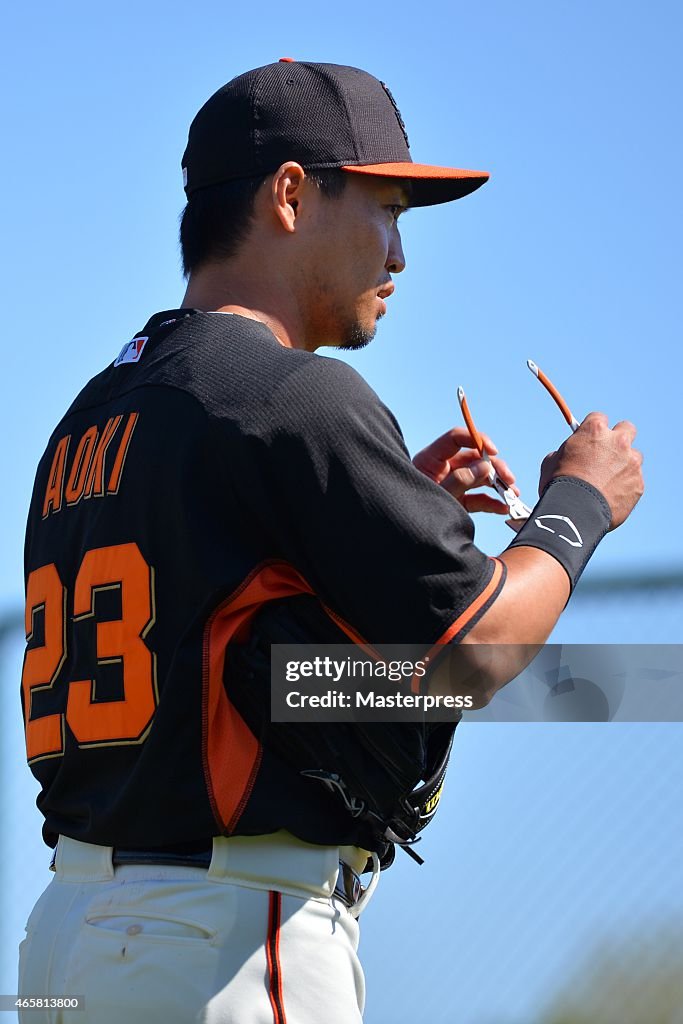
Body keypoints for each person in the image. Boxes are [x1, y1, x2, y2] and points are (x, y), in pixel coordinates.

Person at [18, 59, 643, 1023]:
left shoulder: (93, 414)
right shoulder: (288, 393)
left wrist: (384, 510)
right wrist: (578, 501)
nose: (397, 257)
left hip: (68, 933)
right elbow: (476, 649)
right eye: (384, 210)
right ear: (294, 194)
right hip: (220, 935)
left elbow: (218, 639)